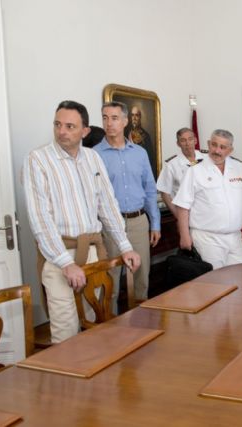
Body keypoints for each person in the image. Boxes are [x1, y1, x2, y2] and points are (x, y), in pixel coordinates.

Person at [22, 100, 141, 343]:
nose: (61, 131)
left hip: (93, 254)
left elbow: (107, 205)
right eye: (57, 124)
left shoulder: (93, 159)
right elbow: (40, 218)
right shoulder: (38, 160)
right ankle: (67, 380)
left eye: (70, 126)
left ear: (85, 130)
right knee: (66, 330)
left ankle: (94, 380)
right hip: (58, 256)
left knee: (95, 322)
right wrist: (66, 263)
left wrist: (125, 245)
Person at [173, 129, 242, 269]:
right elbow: (183, 206)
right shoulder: (194, 170)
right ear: (208, 144)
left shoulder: (239, 168)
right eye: (214, 145)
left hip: (235, 238)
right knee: (215, 284)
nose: (217, 150)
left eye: (222, 147)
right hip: (207, 239)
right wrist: (184, 235)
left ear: (230, 150)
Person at [94, 101, 160, 306]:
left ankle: (142, 326)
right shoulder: (94, 155)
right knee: (111, 281)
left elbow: (149, 189)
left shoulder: (139, 153)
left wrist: (155, 223)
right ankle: (112, 331)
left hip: (139, 222)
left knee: (141, 279)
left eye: (114, 118)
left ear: (124, 121)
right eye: (105, 118)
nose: (109, 123)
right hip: (110, 225)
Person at [156, 127, 205, 216]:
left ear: (195, 140)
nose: (187, 143)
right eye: (183, 140)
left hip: (206, 210)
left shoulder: (206, 158)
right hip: (186, 212)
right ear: (178, 144)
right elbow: (164, 193)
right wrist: (178, 215)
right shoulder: (171, 164)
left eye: (190, 139)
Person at [127, 105, 156, 177]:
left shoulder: (146, 136)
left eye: (136, 115)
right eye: (132, 115)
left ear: (140, 117)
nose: (134, 118)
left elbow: (149, 159)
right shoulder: (125, 132)